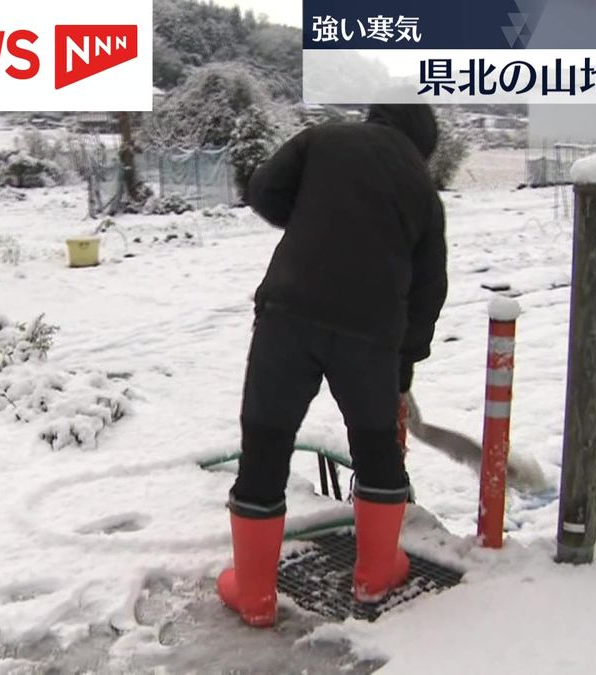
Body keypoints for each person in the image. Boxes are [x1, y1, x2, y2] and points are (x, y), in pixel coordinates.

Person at [217, 104, 448, 627]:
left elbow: (265, 190)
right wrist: (404, 369)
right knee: (375, 447)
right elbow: (429, 291)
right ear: (423, 143)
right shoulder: (424, 193)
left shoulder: (324, 139)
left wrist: (312, 217)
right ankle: (375, 574)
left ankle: (254, 593)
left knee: (266, 440)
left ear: (377, 116)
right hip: (370, 335)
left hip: (288, 314)